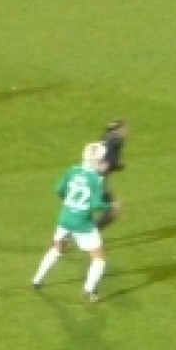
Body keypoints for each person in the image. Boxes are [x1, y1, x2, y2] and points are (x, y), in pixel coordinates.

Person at [32, 143, 113, 302]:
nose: (105, 161)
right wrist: (110, 205)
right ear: (96, 161)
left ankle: (37, 279)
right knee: (99, 259)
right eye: (102, 159)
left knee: (58, 249)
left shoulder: (73, 170)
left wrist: (70, 204)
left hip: (65, 218)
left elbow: (58, 190)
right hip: (83, 224)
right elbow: (96, 204)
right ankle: (89, 290)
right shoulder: (96, 179)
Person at [95, 119, 129, 230]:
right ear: (118, 130)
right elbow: (111, 162)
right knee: (115, 208)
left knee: (78, 211)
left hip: (89, 177)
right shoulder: (116, 141)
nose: (126, 131)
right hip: (97, 181)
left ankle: (63, 238)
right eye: (124, 128)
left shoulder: (104, 138)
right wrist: (120, 165)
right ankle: (92, 233)